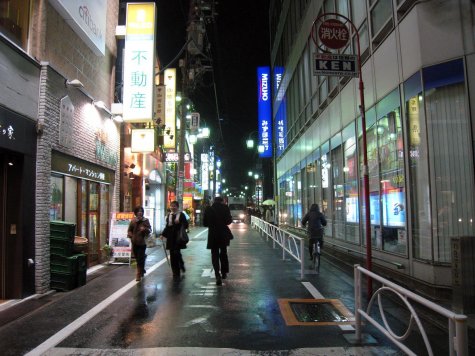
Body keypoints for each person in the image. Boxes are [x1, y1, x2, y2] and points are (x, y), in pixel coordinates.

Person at [203, 196, 233, 285]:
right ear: (222, 201)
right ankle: (224, 273)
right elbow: (228, 221)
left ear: (213, 201)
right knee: (223, 253)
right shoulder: (225, 208)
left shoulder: (209, 209)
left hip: (213, 234)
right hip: (223, 233)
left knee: (214, 254)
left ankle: (217, 275)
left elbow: (205, 223)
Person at [161, 200, 189, 279]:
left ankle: (180, 264)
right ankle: (175, 272)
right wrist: (162, 234)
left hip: (178, 237)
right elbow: (167, 227)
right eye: (171, 206)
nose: (173, 207)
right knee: (172, 255)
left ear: (177, 207)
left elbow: (186, 225)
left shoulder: (181, 215)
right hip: (170, 237)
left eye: (174, 206)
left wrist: (179, 223)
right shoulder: (169, 215)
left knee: (176, 253)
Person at [127, 206, 151, 281]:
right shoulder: (133, 221)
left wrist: (145, 229)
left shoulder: (145, 220)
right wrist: (130, 234)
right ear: (136, 213)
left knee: (140, 258)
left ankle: (138, 274)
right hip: (134, 242)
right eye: (138, 211)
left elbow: (150, 229)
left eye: (141, 211)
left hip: (142, 242)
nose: (140, 212)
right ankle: (142, 269)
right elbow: (129, 230)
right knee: (138, 258)